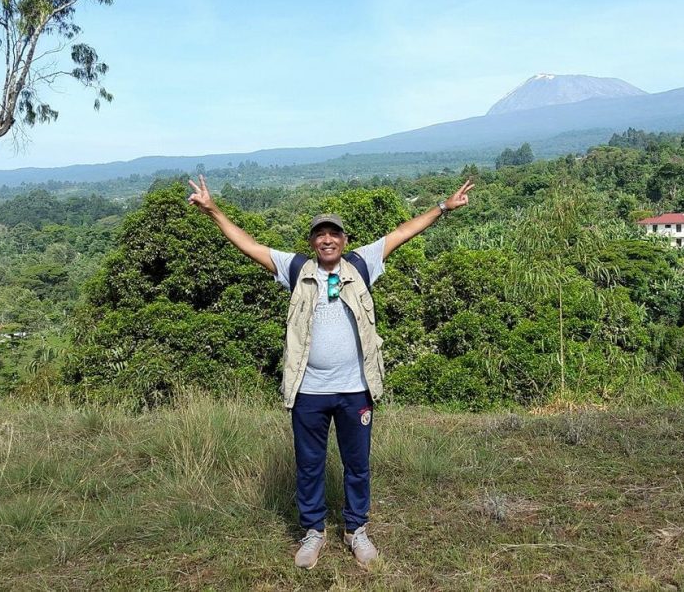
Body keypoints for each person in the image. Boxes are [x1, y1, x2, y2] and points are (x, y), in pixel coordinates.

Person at [187, 175, 474, 570]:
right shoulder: (294, 269)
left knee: (357, 464)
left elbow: (403, 232)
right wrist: (214, 211)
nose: (327, 240)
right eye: (320, 235)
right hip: (309, 390)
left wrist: (443, 207)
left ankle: (356, 530)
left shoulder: (360, 264)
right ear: (312, 242)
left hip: (356, 389)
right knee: (308, 464)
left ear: (344, 239)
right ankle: (313, 532)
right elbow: (249, 245)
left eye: (334, 234)